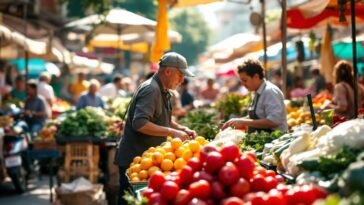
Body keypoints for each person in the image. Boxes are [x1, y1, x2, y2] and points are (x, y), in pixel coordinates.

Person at [114, 52, 197, 205]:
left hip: (145, 161)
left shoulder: (162, 90)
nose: (182, 80)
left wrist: (181, 128)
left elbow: (160, 119)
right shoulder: (152, 90)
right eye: (180, 75)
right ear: (167, 71)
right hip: (134, 161)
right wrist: (172, 132)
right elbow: (140, 123)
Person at [222, 58, 288, 133]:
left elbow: (274, 121)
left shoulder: (269, 91)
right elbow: (259, 116)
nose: (243, 84)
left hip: (276, 141)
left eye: (245, 80)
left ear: (256, 77)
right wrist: (236, 121)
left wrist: (243, 122)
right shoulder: (257, 92)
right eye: (241, 81)